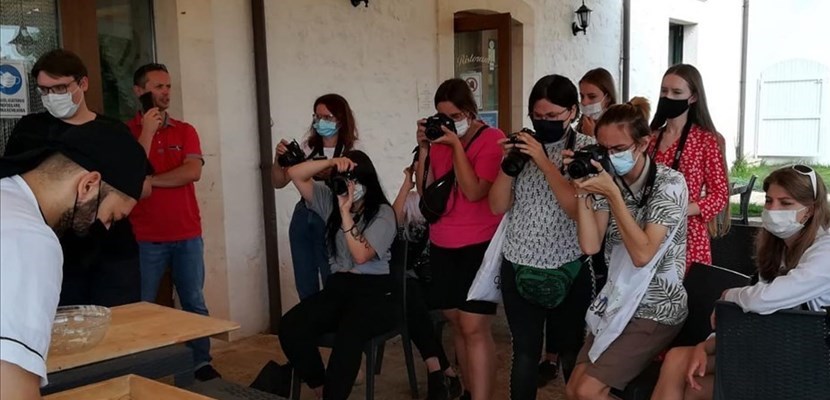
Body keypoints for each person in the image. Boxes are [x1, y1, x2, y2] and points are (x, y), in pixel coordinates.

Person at [650, 165, 830, 400]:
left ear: (810, 210)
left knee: (695, 388)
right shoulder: (779, 248)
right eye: (768, 201)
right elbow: (754, 305)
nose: (773, 209)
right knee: (677, 359)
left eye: (785, 203)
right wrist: (708, 345)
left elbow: (765, 299)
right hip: (778, 346)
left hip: (810, 363)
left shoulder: (825, 251)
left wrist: (728, 296)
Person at [0, 121, 148, 400]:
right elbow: (9, 388)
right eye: (112, 215)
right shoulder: (28, 238)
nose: (105, 226)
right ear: (89, 184)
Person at [565, 99, 689, 400]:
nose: (609, 157)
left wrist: (612, 195)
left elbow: (642, 254)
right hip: (618, 301)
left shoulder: (670, 184)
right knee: (573, 389)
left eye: (618, 149)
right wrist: (582, 191)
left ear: (643, 143)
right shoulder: (611, 180)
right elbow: (590, 244)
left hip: (655, 307)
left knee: (588, 391)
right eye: (602, 149)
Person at [4, 48, 146, 307]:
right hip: (56, 251)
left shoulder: (113, 132)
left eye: (59, 88)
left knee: (120, 326)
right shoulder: (31, 130)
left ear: (83, 83)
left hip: (111, 253)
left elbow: (139, 185)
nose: (51, 96)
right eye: (44, 90)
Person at [488, 74, 595, 399]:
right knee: (524, 353)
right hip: (519, 264)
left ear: (572, 111)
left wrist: (544, 162)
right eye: (538, 116)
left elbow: (575, 210)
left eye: (553, 116)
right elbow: (497, 206)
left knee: (569, 351)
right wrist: (509, 166)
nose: (544, 122)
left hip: (569, 266)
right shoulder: (520, 146)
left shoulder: (585, 150)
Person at [279, 151, 397, 400]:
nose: (347, 187)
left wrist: (346, 214)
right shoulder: (331, 200)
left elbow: (361, 256)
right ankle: (322, 389)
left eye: (352, 180)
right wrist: (332, 162)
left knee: (349, 337)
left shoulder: (383, 213)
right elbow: (294, 173)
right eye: (342, 180)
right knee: (291, 326)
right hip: (339, 286)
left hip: (373, 291)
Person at [126, 63, 219, 381]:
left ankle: (200, 362)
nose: (165, 92)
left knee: (194, 301)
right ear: (139, 91)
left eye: (168, 86)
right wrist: (147, 133)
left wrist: (151, 181)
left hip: (186, 232)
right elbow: (130, 176)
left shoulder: (185, 130)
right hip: (145, 235)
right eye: (157, 87)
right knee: (143, 305)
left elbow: (192, 172)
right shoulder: (127, 133)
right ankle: (144, 366)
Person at [414, 78, 505, 400]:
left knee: (473, 326)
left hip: (479, 244)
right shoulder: (438, 143)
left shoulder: (492, 139)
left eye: (453, 116)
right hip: (443, 243)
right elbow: (427, 193)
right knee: (456, 323)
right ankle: (469, 390)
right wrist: (425, 148)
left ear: (468, 111)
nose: (447, 123)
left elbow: (474, 190)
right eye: (440, 116)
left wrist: (455, 148)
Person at [272, 94, 360, 301]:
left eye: (327, 117)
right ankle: (311, 324)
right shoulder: (307, 147)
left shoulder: (353, 150)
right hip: (305, 213)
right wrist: (278, 160)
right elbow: (279, 182)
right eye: (316, 117)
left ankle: (333, 325)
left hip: (333, 214)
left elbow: (357, 186)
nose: (320, 122)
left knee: (332, 274)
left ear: (340, 119)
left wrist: (326, 172)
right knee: (304, 277)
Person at [393, 147, 462, 400]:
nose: (426, 173)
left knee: (410, 303)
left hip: (443, 282)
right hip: (414, 283)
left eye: (431, 167)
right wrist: (406, 184)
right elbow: (392, 222)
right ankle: (441, 371)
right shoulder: (410, 201)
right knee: (410, 298)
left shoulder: (454, 200)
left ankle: (442, 373)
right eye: (420, 167)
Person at [648, 64, 730, 271]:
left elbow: (720, 195)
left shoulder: (706, 140)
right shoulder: (650, 138)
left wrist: (680, 210)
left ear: (693, 97)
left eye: (676, 92)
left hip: (689, 234)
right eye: (664, 91)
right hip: (648, 228)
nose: (668, 97)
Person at [576, 67, 617, 138]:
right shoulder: (581, 125)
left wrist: (591, 136)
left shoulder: (620, 126)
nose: (584, 102)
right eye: (582, 96)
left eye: (592, 97)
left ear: (608, 98)